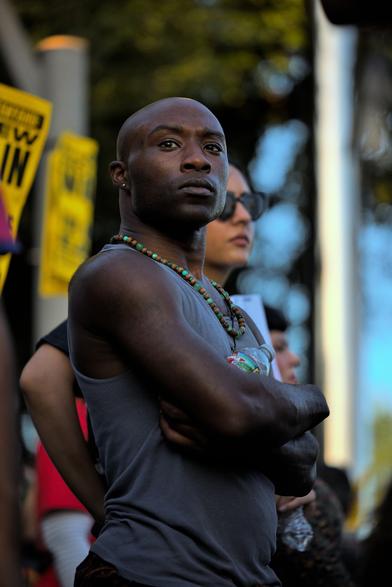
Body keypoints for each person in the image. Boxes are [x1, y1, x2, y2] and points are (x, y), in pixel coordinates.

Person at [67, 96, 328, 586]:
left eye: (213, 147)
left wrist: (285, 413)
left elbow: (302, 467)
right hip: (153, 573)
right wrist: (292, 407)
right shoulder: (117, 275)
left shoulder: (232, 310)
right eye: (168, 144)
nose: (197, 159)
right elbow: (235, 412)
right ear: (120, 174)